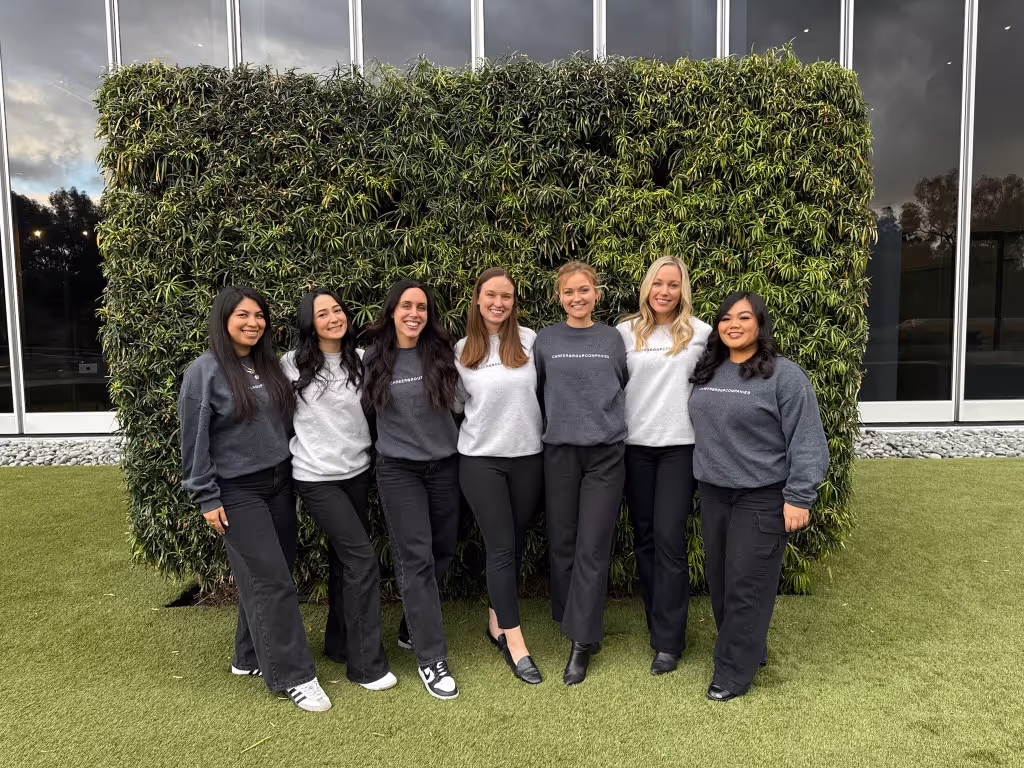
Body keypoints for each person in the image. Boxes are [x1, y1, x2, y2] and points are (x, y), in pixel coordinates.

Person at [178, 285, 331, 713]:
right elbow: (194, 443)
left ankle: (248, 657)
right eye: (243, 315)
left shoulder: (267, 366)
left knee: (269, 573)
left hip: (278, 484)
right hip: (237, 491)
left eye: (259, 315)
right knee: (274, 581)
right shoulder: (203, 372)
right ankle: (295, 675)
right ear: (223, 320)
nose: (252, 322)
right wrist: (207, 497)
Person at [688, 291, 829, 701]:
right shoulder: (709, 370)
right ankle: (750, 650)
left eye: (744, 318)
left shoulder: (784, 376)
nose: (733, 324)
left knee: (746, 583)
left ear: (760, 324)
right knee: (720, 581)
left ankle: (732, 673)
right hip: (714, 492)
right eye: (726, 318)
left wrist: (799, 496)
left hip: (762, 496)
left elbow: (807, 441)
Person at [280, 288, 396, 692]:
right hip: (316, 478)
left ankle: (339, 644)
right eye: (322, 313)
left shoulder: (363, 361)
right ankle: (366, 666)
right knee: (362, 560)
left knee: (343, 561)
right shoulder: (290, 366)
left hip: (357, 473)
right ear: (309, 323)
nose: (334, 317)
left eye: (337, 310)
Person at [362, 278, 462, 700]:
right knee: (415, 558)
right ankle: (431, 658)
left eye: (421, 307)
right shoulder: (373, 357)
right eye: (406, 306)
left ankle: (410, 626)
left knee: (443, 552)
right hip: (398, 470)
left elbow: (459, 407)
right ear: (392, 311)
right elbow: (365, 415)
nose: (414, 314)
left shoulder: (441, 351)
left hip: (444, 466)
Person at [616, 255, 711, 676]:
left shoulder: (702, 334)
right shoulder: (624, 333)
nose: (664, 292)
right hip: (635, 448)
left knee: (670, 540)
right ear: (647, 288)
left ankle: (669, 642)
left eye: (673, 284)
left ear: (682, 290)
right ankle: (659, 622)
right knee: (645, 538)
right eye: (658, 283)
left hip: (679, 448)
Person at [534, 261, 628, 686]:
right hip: (559, 454)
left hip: (605, 455)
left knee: (592, 545)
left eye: (584, 290)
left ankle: (581, 642)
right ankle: (573, 615)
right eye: (569, 291)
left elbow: (621, 385)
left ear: (597, 294)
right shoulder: (545, 341)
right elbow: (538, 390)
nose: (577, 297)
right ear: (559, 297)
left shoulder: (613, 339)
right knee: (564, 543)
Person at [455, 267, 544, 685]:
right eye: (490, 295)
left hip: (528, 458)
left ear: (513, 302)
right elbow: (456, 406)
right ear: (477, 298)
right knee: (502, 546)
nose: (498, 303)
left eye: (506, 296)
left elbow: (547, 392)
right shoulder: (460, 350)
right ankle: (515, 642)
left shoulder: (531, 341)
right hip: (480, 461)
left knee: (516, 542)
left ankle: (495, 622)